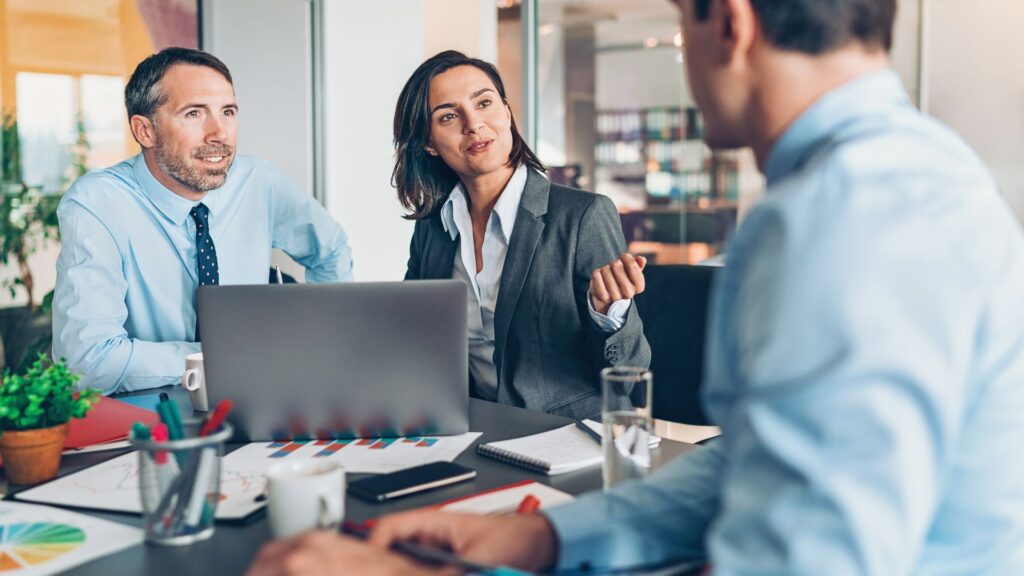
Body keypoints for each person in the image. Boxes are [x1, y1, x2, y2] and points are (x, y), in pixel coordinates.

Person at [246, 0, 1024, 574]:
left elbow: (801, 556)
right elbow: (749, 461)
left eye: (683, 22)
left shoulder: (842, 216)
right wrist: (543, 538)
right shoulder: (887, 177)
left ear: (731, 22)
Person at [53, 48, 354, 395]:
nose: (219, 133)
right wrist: (216, 358)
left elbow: (330, 251)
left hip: (256, 397)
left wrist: (326, 344)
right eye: (194, 113)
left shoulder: (259, 182)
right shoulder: (97, 204)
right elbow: (89, 363)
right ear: (145, 131)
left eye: (228, 112)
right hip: (152, 414)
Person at [396, 51, 650, 420]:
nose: (474, 124)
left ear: (507, 112)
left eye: (484, 103)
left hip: (566, 434)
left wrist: (609, 313)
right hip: (472, 426)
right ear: (428, 143)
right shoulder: (433, 227)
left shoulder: (584, 216)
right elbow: (411, 335)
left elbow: (631, 375)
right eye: (448, 116)